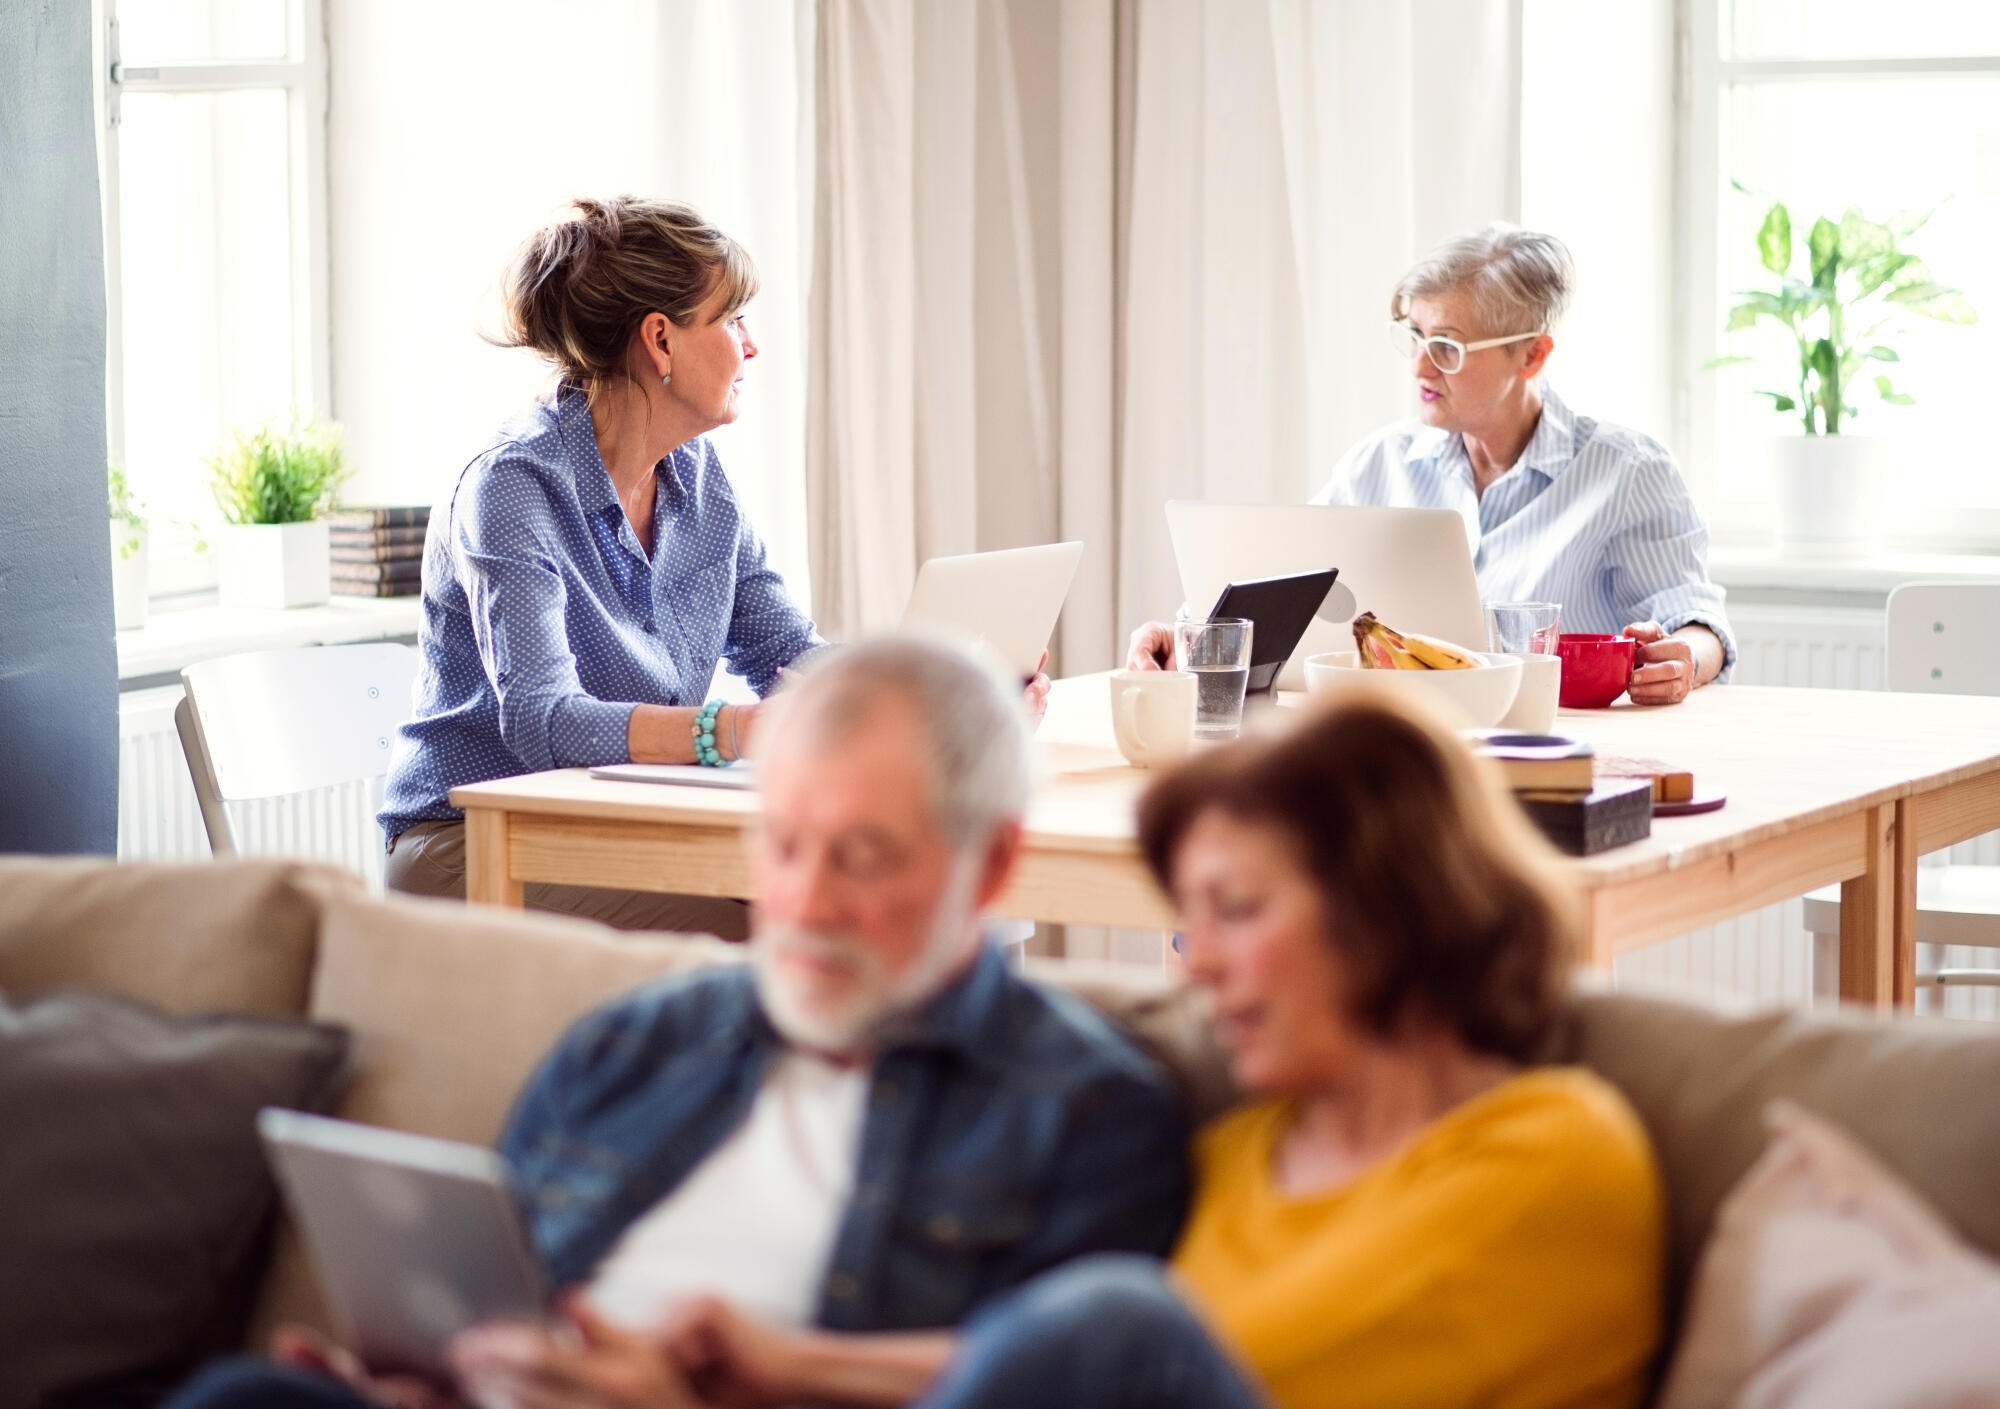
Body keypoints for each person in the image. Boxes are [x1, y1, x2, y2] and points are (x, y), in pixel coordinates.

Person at [169, 637, 1187, 1409]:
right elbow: (508, 1300)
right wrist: (429, 1378)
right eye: (783, 845)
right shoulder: (638, 1040)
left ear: (994, 866)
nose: (807, 900)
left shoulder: (1090, 1110)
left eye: (863, 855)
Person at [618, 687, 1665, 1409]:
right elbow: (1043, 1372)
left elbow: (1168, 1361)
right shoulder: (1238, 1153)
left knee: (1120, 1317)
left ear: (1389, 904)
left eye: (1236, 910)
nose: (1193, 966)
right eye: (1184, 922)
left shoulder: (1555, 1146)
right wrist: (786, 1361)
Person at [377, 197, 1051, 936]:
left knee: (908, 900)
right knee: (818, 923)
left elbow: (790, 654)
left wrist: (950, 698)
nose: (751, 347)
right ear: (660, 341)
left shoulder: (697, 479)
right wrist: (732, 732)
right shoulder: (512, 486)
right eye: (731, 320)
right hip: (472, 848)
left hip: (613, 830)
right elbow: (543, 720)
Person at [1129, 224, 1734, 707]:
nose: (1419, 367)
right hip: (1401, 760)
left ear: (1532, 354)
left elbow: (1697, 619)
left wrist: (1684, 659)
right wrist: (1184, 637)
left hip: (1560, 758)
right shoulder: (1382, 464)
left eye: (1445, 346)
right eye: (1414, 335)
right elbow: (1277, 581)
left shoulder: (1627, 472)